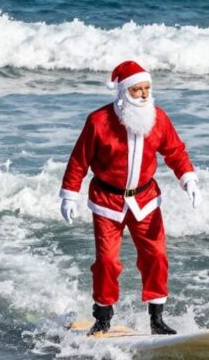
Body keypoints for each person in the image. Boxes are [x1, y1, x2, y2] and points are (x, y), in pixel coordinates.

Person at [59, 60, 199, 336]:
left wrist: (188, 179)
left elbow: (176, 152)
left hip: (145, 199)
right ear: (123, 93)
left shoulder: (158, 118)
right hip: (107, 202)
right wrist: (69, 195)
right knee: (107, 262)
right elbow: (79, 160)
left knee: (156, 255)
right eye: (137, 90)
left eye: (147, 88)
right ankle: (103, 317)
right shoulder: (98, 121)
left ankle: (157, 319)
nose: (144, 94)